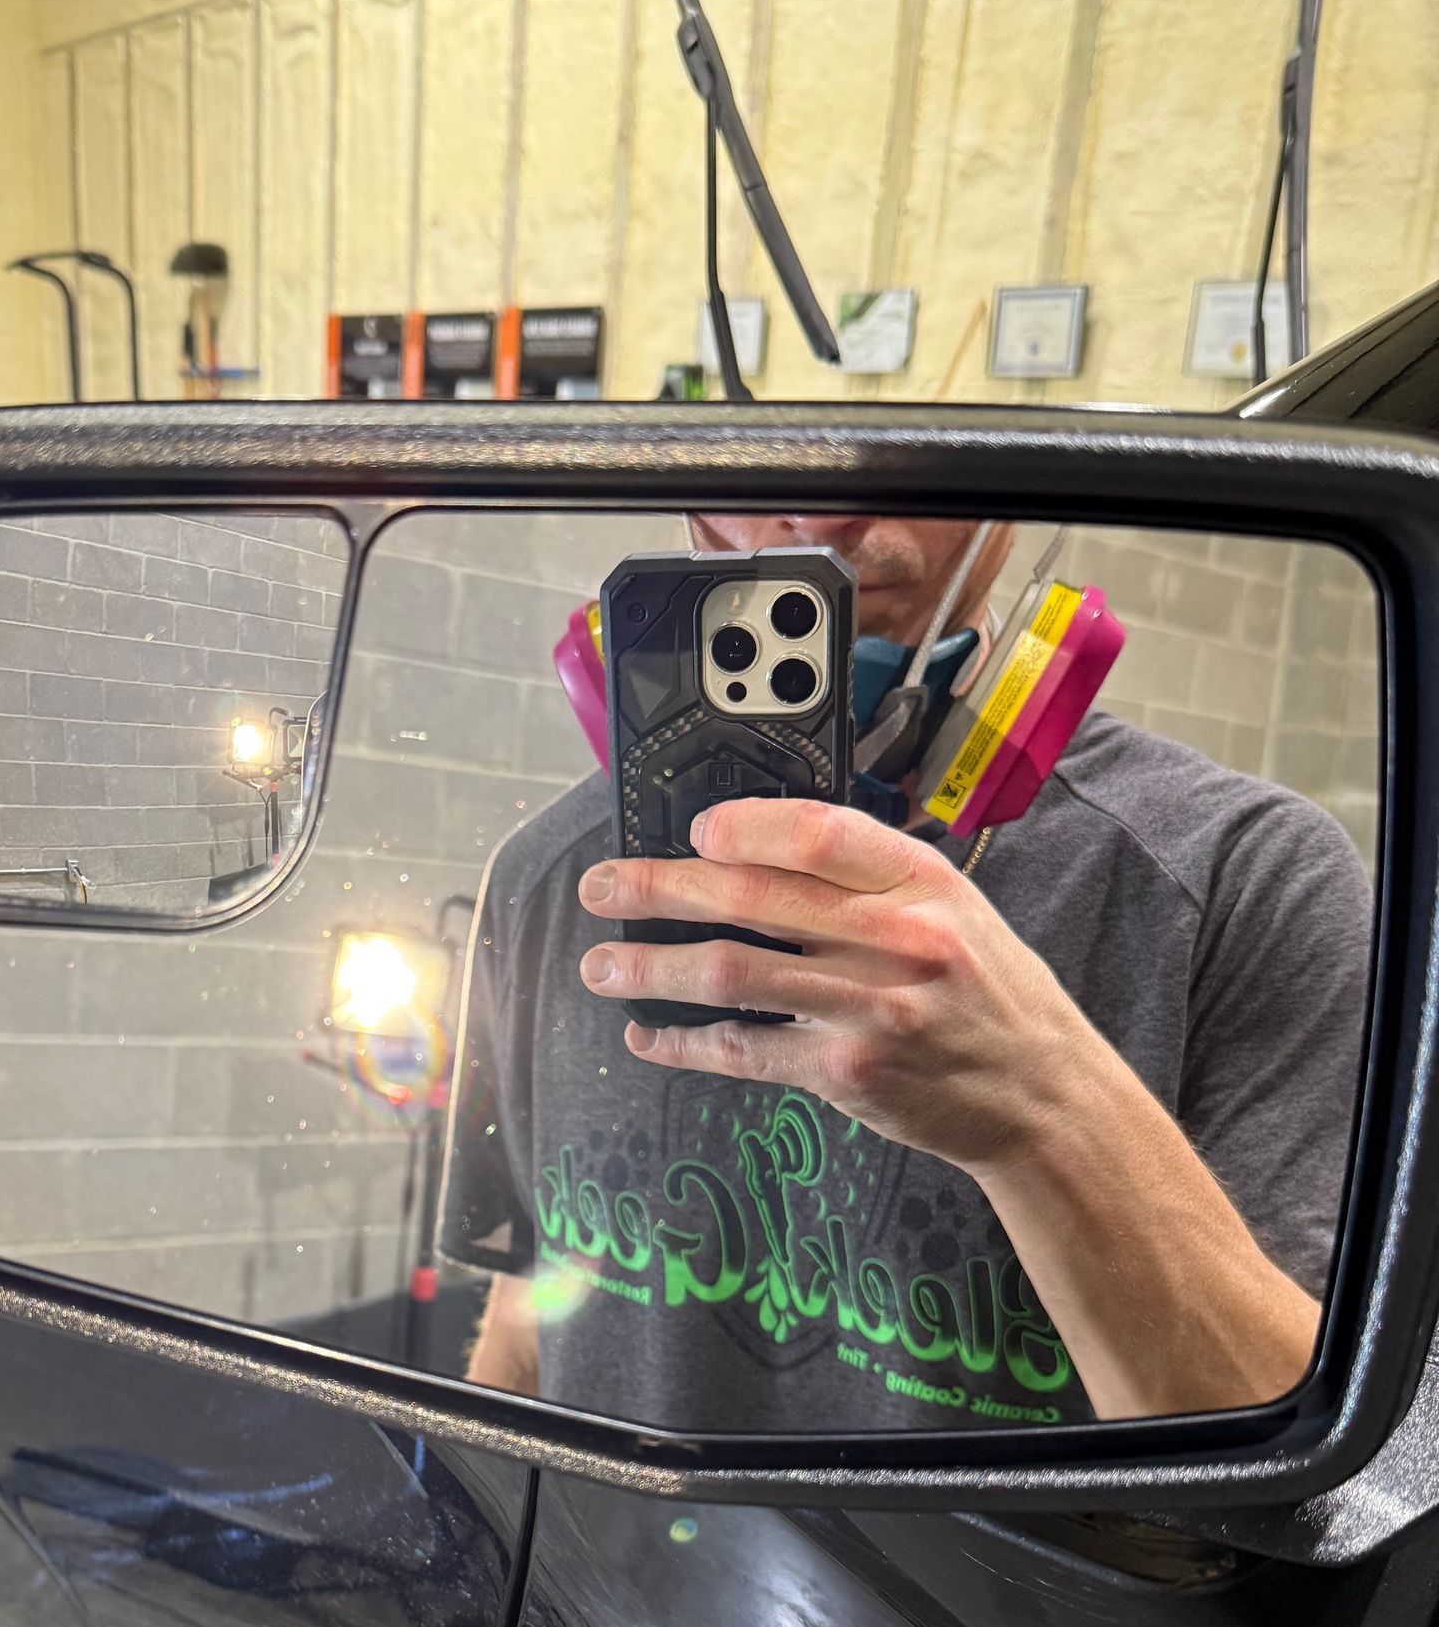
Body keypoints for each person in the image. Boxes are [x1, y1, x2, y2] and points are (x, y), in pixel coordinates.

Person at [439, 512, 1373, 1431]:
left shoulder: (1245, 879)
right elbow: (533, 1310)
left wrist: (1039, 1116)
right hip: (602, 1588)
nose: (817, 511)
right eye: (759, 452)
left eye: (904, 454)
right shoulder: (545, 876)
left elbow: (1296, 1459)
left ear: (1006, 512)